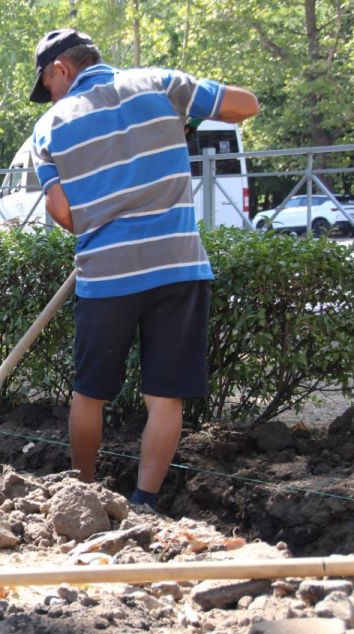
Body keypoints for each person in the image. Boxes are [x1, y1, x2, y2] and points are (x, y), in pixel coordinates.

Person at [28, 29, 259, 508]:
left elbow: (65, 216)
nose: (48, 95)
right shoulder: (160, 82)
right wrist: (186, 112)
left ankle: (83, 496)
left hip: (106, 273)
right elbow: (247, 105)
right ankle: (144, 503)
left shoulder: (50, 127)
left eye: (47, 84)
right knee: (164, 398)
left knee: (89, 394)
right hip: (178, 266)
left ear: (62, 70)